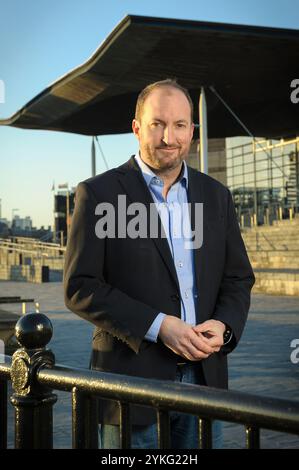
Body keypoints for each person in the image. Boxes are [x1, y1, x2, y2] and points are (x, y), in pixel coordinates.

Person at [64, 79, 255, 449]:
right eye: (157, 124)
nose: (169, 137)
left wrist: (225, 325)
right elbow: (80, 285)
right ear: (136, 128)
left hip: (206, 384)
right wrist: (158, 326)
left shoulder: (216, 196)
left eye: (180, 125)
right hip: (130, 387)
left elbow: (238, 276)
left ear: (192, 131)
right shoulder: (99, 193)